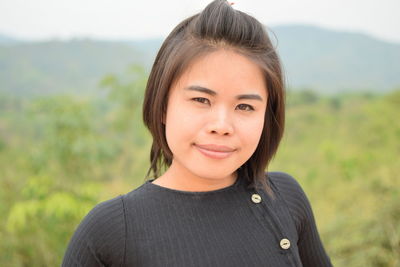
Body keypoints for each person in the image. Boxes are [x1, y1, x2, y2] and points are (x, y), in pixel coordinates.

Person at [62, 0, 333, 266]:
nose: (222, 125)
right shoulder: (111, 231)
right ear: (162, 106)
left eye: (245, 106)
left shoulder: (284, 196)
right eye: (201, 100)